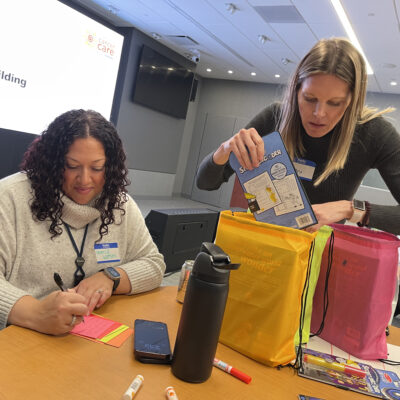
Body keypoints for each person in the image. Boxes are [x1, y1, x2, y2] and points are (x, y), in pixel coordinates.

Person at [196, 38, 400, 235]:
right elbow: (205, 183)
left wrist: (350, 209)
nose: (319, 113)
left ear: (352, 101)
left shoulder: (374, 134)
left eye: (334, 103)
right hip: (263, 241)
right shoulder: (274, 117)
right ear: (296, 90)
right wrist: (225, 150)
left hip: (318, 255)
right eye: (310, 98)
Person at [0, 109, 166, 335]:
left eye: (97, 168)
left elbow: (153, 264)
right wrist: (36, 312)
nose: (85, 180)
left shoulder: (120, 204)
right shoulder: (10, 197)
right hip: (20, 337)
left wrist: (110, 277)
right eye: (72, 166)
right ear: (52, 163)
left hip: (84, 338)